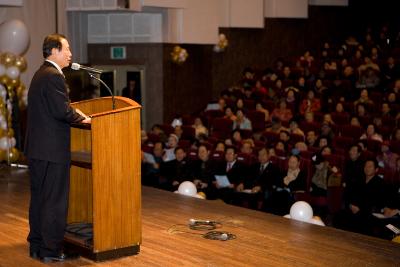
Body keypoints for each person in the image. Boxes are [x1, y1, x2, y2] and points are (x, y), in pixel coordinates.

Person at [25, 34, 91, 262]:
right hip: (51, 152)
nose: (71, 54)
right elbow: (61, 111)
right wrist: (85, 120)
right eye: (67, 48)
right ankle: (51, 251)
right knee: (54, 202)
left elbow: (54, 108)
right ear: (54, 51)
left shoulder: (39, 74)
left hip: (38, 151)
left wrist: (73, 112)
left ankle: (36, 246)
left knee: (40, 200)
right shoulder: (53, 76)